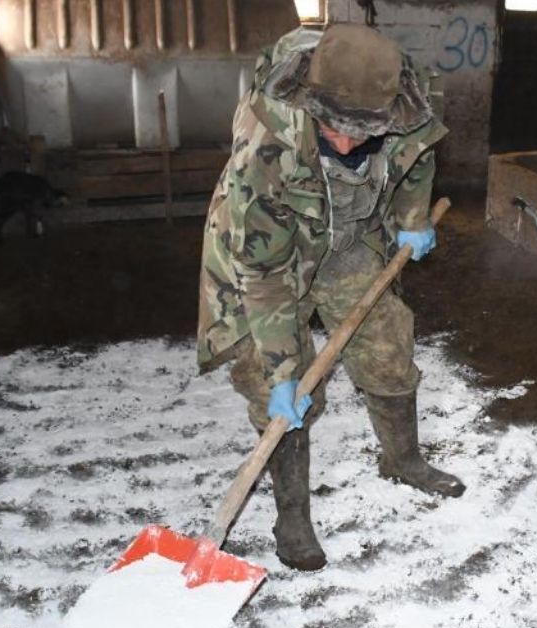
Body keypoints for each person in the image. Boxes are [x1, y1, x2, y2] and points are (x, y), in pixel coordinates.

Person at [196, 24, 464, 572]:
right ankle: (291, 513)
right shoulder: (265, 144)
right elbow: (264, 271)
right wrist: (282, 371)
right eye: (333, 128)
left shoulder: (404, 96)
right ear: (310, 101)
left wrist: (413, 218)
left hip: (347, 239)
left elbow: (420, 155)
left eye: (363, 132)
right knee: (281, 385)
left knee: (388, 342)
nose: (344, 144)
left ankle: (403, 459)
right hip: (271, 253)